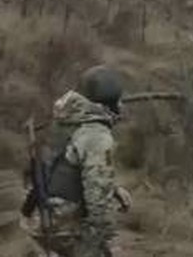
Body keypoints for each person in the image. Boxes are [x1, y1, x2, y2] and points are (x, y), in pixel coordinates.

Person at [22, 65, 131, 256]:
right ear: (108, 103)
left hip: (40, 213)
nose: (121, 105)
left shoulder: (65, 121)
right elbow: (99, 206)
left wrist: (113, 189)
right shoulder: (96, 135)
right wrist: (107, 244)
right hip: (64, 224)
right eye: (118, 100)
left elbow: (67, 166)